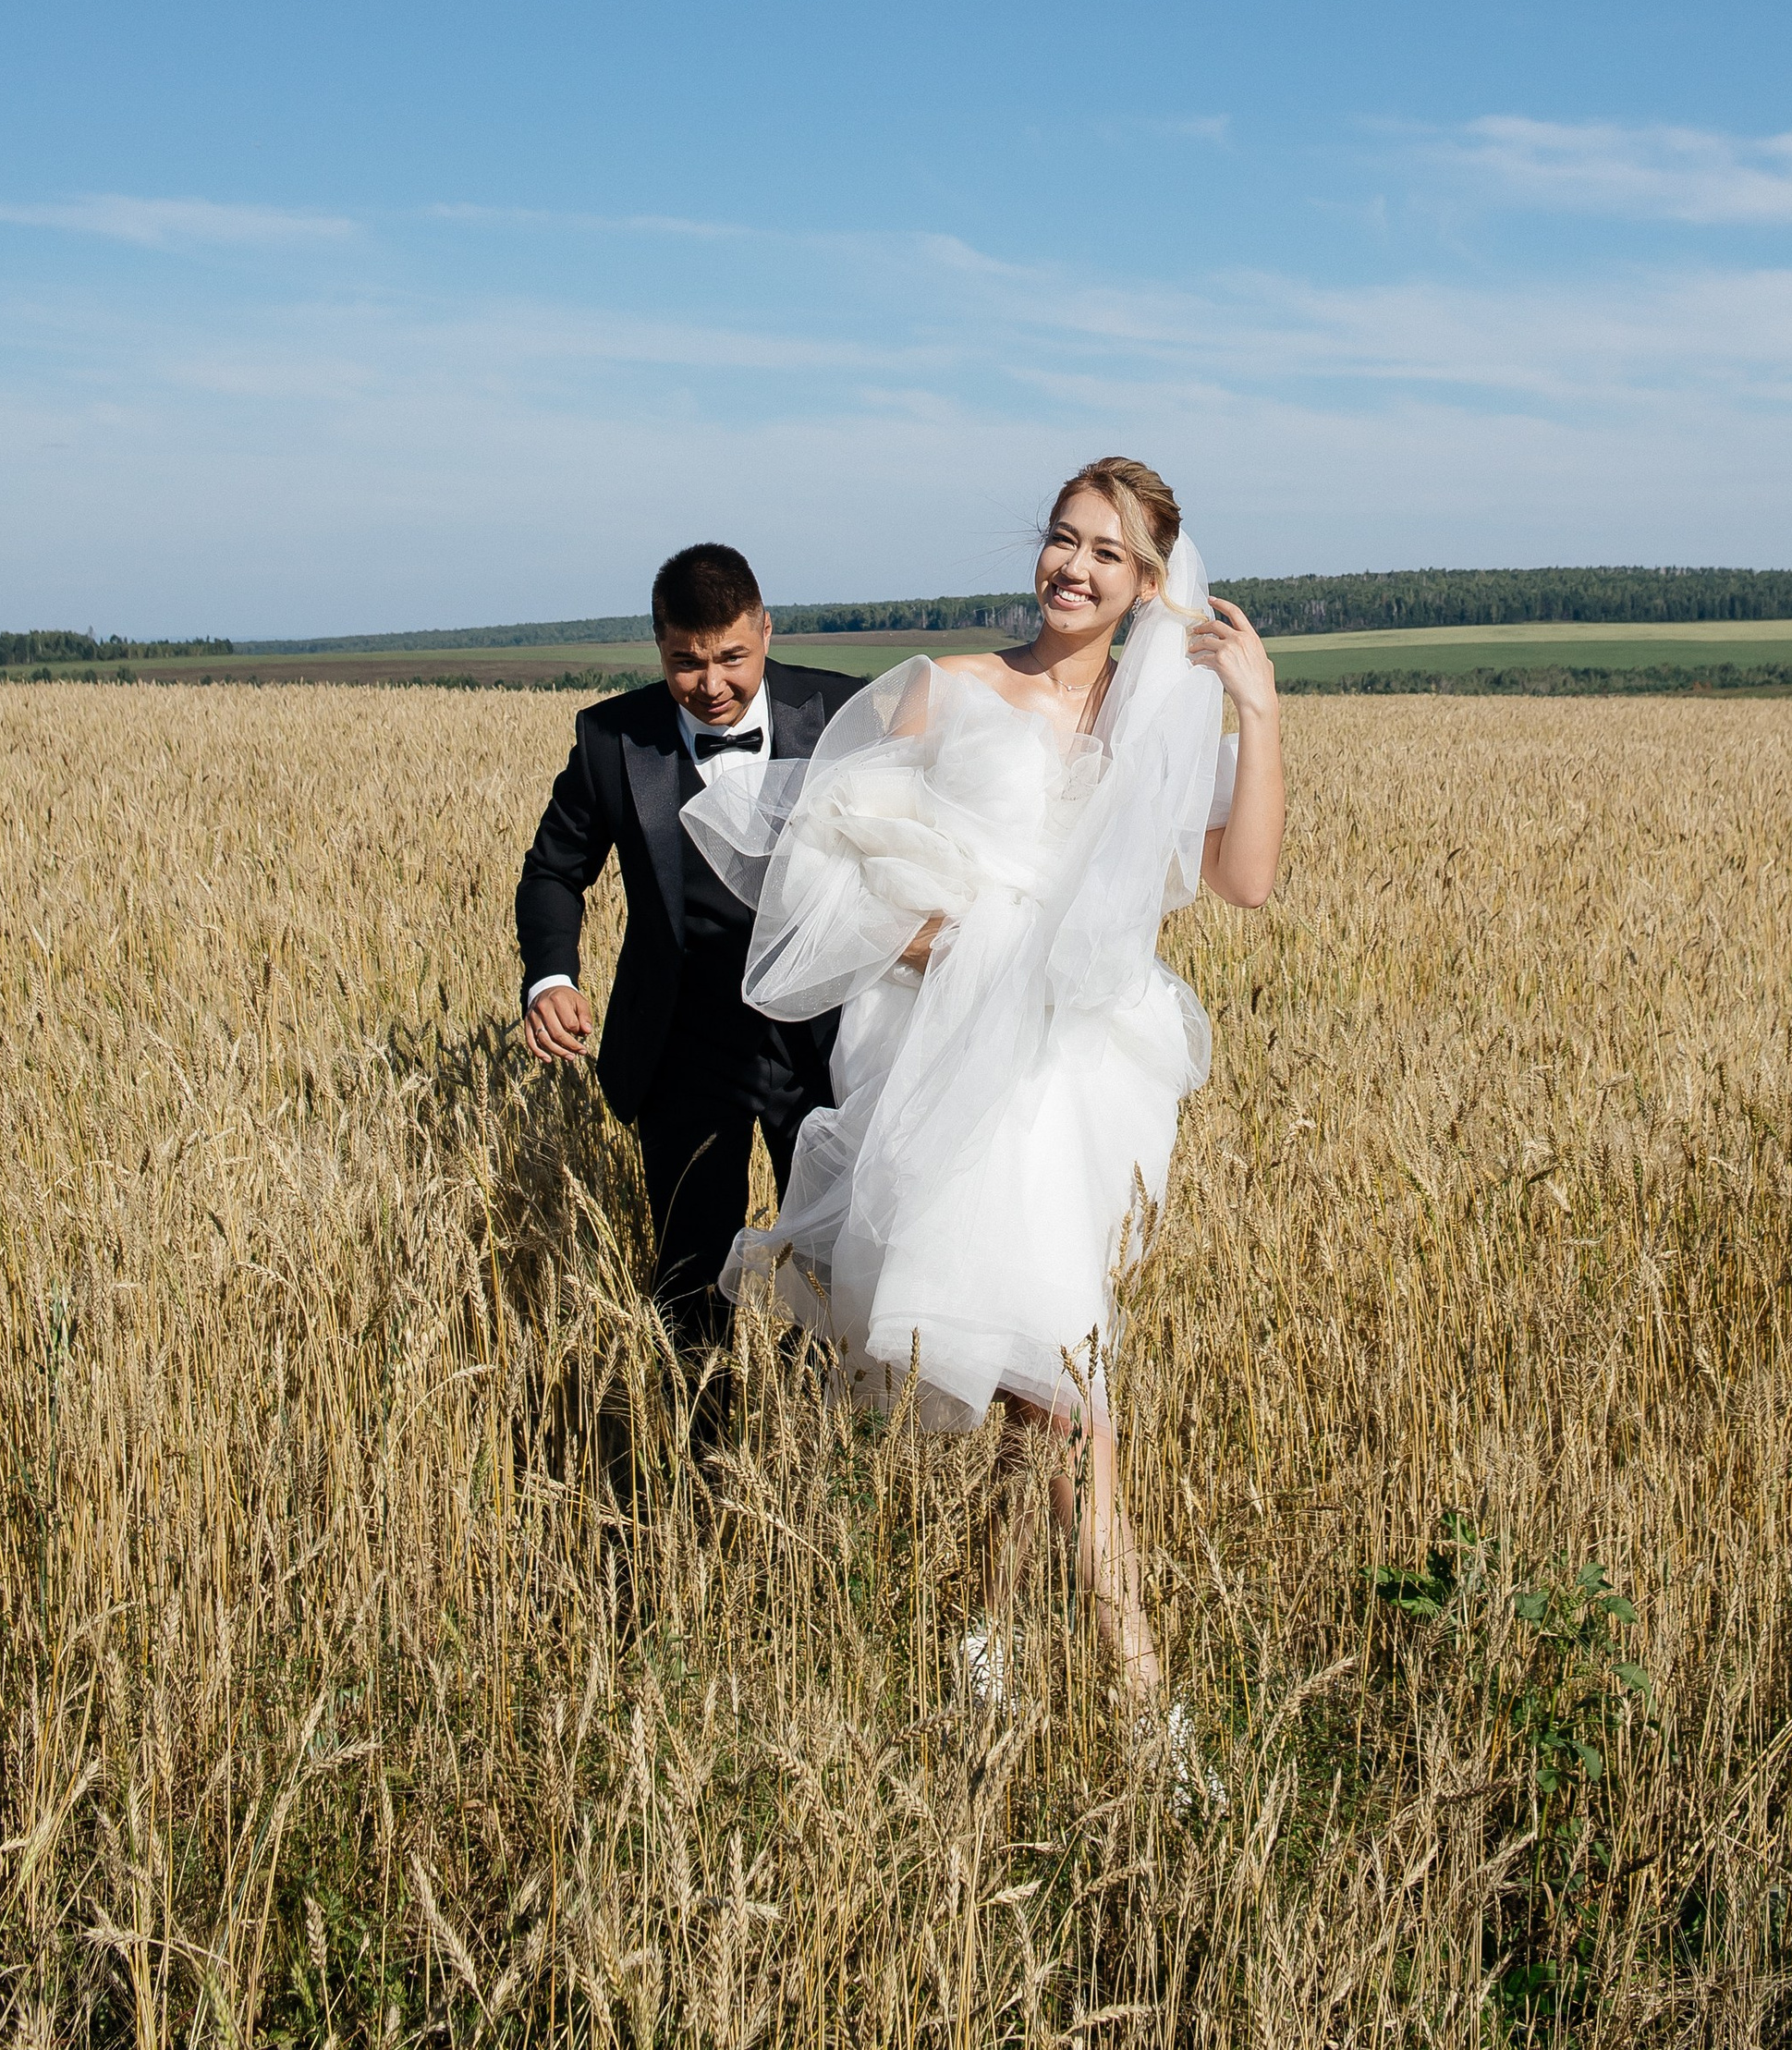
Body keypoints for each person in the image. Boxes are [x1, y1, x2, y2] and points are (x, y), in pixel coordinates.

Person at [684, 458, 1285, 1715]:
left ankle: (987, 1646)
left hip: (1082, 1085)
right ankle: (1145, 1708)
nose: (1072, 567)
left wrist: (1260, 713)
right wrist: (944, 949)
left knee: (1044, 1395)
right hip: (957, 1078)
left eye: (1106, 553)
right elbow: (822, 872)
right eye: (1062, 539)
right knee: (1071, 1396)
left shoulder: (1155, 726)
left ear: (1148, 584)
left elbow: (1244, 881)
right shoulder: (948, 691)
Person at [514, 543, 866, 1348]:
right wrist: (550, 978)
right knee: (690, 1282)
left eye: (732, 658)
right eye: (687, 663)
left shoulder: (844, 715)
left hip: (822, 1042)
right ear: (660, 645)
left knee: (836, 1272)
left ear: (766, 631)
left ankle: (814, 1426)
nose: (711, 685)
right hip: (683, 1047)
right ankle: (699, 1429)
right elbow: (553, 872)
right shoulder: (610, 738)